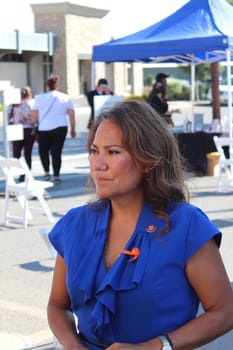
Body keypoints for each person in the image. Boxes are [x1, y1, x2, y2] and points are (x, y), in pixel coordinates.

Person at [47, 100, 233, 350]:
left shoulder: (186, 225)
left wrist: (157, 346)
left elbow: (225, 312)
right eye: (94, 150)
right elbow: (58, 305)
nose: (97, 165)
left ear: (148, 161)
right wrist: (73, 346)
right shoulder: (75, 223)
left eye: (112, 152)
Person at [31, 75, 76, 184]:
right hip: (61, 127)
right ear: (57, 85)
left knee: (43, 151)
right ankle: (56, 176)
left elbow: (34, 115)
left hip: (44, 128)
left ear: (47, 86)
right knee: (56, 152)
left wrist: (33, 126)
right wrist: (73, 128)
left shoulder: (40, 98)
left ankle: (46, 173)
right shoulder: (65, 97)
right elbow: (71, 114)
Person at [8, 86, 36, 181]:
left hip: (15, 129)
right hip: (29, 130)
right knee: (28, 154)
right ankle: (26, 173)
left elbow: (8, 115)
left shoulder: (14, 104)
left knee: (16, 154)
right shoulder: (32, 103)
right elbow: (35, 118)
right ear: (30, 94)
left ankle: (20, 172)